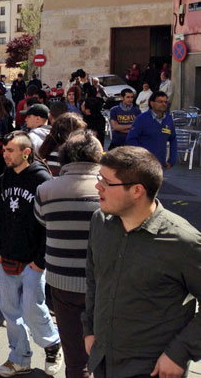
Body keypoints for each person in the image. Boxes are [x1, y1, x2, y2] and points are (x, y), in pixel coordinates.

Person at [84, 146, 201, 378]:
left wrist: (180, 352)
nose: (98, 186)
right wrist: (89, 329)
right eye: (100, 178)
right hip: (103, 360)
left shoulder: (182, 241)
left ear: (137, 190)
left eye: (106, 182)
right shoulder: (100, 221)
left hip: (152, 367)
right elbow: (93, 278)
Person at [0, 131, 62, 377]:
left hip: (33, 259)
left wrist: (40, 260)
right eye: (4, 150)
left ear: (26, 152)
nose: (5, 154)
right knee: (10, 312)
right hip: (8, 255)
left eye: (10, 150)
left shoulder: (42, 180)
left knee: (33, 308)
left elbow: (49, 223)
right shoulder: (5, 177)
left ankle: (52, 344)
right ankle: (19, 357)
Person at [35, 131, 101, 378]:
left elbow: (41, 220)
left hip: (61, 282)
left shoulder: (46, 189)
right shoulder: (109, 188)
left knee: (76, 360)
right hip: (103, 282)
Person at [126, 91, 177, 168]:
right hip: (142, 164)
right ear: (152, 103)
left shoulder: (168, 119)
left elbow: (173, 139)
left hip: (160, 164)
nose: (164, 104)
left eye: (165, 102)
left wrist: (171, 160)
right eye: (160, 102)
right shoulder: (141, 119)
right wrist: (141, 157)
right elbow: (131, 139)